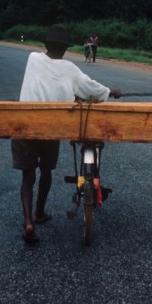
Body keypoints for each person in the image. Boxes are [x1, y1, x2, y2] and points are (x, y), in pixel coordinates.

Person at [13, 24, 121, 243]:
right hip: (52, 127)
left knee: (27, 177)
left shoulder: (32, 58)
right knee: (46, 171)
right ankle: (40, 212)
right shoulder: (70, 68)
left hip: (25, 124)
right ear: (64, 49)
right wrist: (111, 92)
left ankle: (28, 222)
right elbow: (91, 88)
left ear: (45, 45)